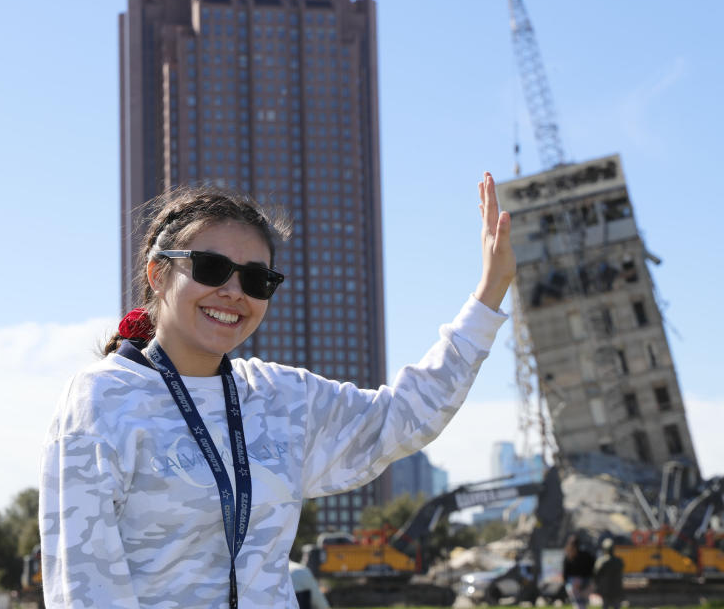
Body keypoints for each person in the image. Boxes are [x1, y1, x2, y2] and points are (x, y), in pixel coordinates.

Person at [39, 176, 515, 608]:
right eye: (211, 267)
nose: (233, 291)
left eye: (255, 279)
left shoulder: (279, 396)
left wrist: (489, 294)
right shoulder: (102, 399)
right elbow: (83, 587)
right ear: (158, 274)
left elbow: (403, 416)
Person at [563, 535, 595, 609]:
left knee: (579, 603)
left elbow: (565, 573)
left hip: (579, 582)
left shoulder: (570, 556)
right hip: (584, 582)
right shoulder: (585, 554)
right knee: (581, 603)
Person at [594, 538, 624, 609]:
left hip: (607, 589)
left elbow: (596, 575)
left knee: (607, 605)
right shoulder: (618, 561)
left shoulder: (602, 561)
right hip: (614, 589)